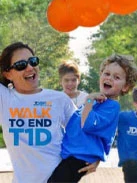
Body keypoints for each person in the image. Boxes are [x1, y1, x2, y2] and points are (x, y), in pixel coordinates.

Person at [0, 42, 97, 183]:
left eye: (33, 61)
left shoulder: (59, 99)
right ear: (8, 74)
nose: (30, 67)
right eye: (21, 65)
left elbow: (84, 130)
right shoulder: (5, 99)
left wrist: (96, 157)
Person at [48, 54, 137, 183]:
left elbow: (87, 124)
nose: (109, 78)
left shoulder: (111, 106)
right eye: (106, 73)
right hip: (71, 154)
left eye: (116, 77)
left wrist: (89, 100)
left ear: (125, 87)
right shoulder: (98, 101)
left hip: (79, 157)